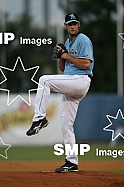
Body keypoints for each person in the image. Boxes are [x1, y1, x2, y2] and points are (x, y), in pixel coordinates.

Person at [26, 13, 94, 172]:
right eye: (69, 24)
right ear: (65, 26)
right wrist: (61, 57)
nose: (72, 26)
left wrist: (65, 55)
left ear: (79, 24)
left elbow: (85, 64)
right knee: (65, 125)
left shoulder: (83, 39)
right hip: (71, 84)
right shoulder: (68, 44)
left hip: (81, 80)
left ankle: (39, 119)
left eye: (74, 23)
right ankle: (72, 162)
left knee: (44, 80)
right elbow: (62, 69)